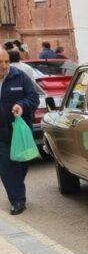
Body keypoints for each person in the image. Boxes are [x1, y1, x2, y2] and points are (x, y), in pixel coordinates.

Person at [0, 49, 39, 215]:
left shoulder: (20, 77)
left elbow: (34, 98)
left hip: (19, 131)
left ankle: (16, 186)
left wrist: (22, 105)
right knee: (8, 167)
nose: (4, 66)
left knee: (22, 164)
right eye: (0, 63)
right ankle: (17, 200)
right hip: (0, 134)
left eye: (6, 61)